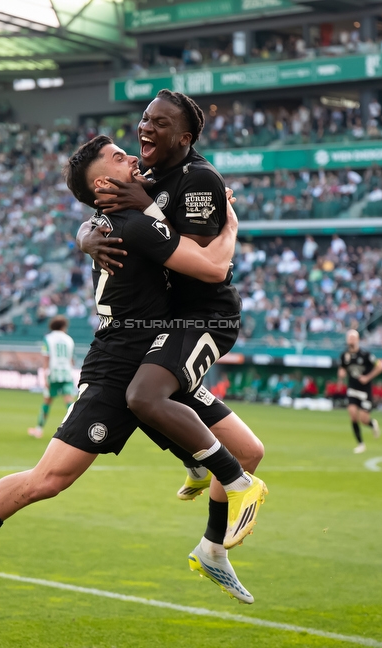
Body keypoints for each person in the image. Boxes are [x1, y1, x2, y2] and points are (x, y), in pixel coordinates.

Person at [0, 137, 267, 615]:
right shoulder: (131, 224)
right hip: (118, 368)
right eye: (119, 158)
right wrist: (229, 220)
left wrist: (87, 231)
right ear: (103, 183)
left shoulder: (120, 218)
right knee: (47, 480)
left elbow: (159, 206)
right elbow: (211, 267)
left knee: (247, 451)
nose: (133, 159)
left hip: (158, 361)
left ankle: (211, 547)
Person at [80, 91, 269, 579]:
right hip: (170, 322)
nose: (146, 128)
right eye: (145, 118)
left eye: (160, 123)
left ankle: (224, 475)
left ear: (184, 137)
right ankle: (211, 542)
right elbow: (103, 210)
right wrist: (87, 235)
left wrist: (148, 209)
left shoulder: (199, 178)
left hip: (206, 315)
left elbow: (207, 258)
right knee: (241, 444)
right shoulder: (148, 175)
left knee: (143, 394)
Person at [28, 316, 76, 439]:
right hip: (66, 372)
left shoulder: (48, 339)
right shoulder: (69, 339)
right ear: (63, 326)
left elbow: (46, 359)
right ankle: (77, 428)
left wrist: (44, 376)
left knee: (47, 401)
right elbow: (71, 360)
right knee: (69, 401)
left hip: (53, 373)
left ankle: (38, 430)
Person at [338, 329, 382, 454]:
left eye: (353, 337)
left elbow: (380, 366)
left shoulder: (366, 355)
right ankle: (360, 444)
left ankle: (372, 424)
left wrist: (367, 378)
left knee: (363, 419)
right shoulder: (344, 356)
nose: (351, 339)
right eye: (349, 337)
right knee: (352, 413)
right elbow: (342, 369)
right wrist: (341, 375)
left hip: (365, 391)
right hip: (352, 389)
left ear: (357, 339)